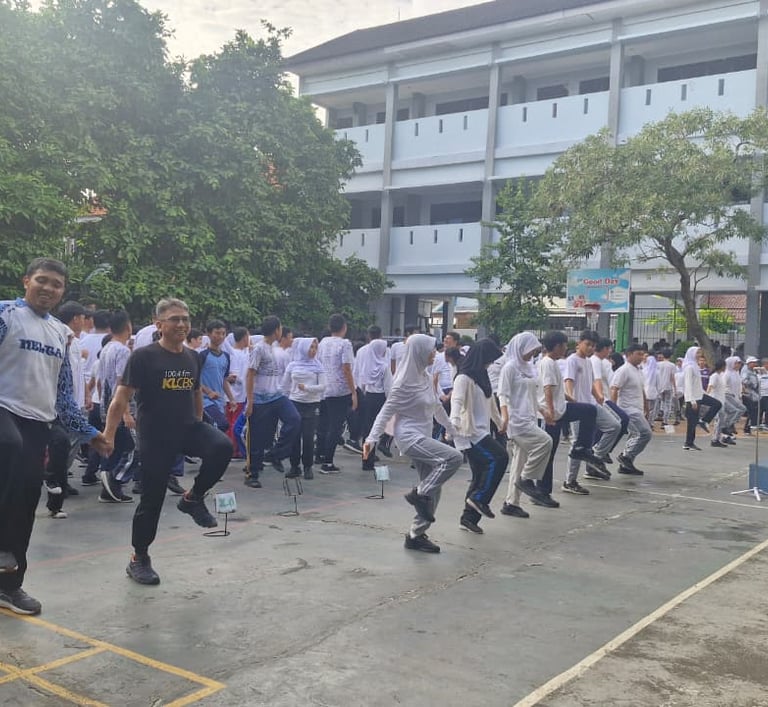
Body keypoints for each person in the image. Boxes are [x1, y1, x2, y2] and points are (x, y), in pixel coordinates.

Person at [0, 258, 111, 614]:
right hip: (3, 412)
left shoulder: (61, 334)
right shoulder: (5, 315)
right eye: (42, 281)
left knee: (25, 505)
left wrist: (91, 432)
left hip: (37, 423)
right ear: (26, 281)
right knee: (8, 446)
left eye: (56, 284)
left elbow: (63, 395)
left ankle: (10, 586)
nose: (48, 288)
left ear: (63, 292)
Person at [103, 297, 232, 585]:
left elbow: (196, 390)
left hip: (187, 428)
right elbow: (121, 397)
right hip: (156, 437)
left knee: (222, 447)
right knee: (152, 500)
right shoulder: (143, 357)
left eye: (186, 319)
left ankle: (193, 498)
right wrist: (109, 434)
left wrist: (199, 421)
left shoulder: (191, 357)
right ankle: (139, 558)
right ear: (159, 324)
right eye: (175, 319)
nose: (182, 324)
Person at [363, 334, 463, 554]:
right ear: (419, 352)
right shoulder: (403, 383)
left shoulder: (424, 377)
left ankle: (415, 536)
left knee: (434, 490)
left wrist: (451, 429)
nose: (434, 354)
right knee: (453, 458)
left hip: (424, 437)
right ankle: (419, 493)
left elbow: (436, 407)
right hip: (409, 438)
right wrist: (371, 439)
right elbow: (385, 412)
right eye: (431, 350)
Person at [536, 331, 608, 503]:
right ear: (556, 346)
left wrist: (571, 400)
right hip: (552, 414)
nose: (565, 348)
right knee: (548, 453)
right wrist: (551, 413)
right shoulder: (547, 363)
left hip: (562, 408)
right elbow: (547, 389)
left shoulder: (554, 363)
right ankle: (542, 492)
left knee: (589, 410)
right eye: (563, 345)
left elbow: (557, 389)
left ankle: (581, 448)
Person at [450, 339, 508, 534]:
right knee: (500, 458)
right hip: (469, 434)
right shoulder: (463, 378)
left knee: (480, 474)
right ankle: (479, 499)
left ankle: (468, 518)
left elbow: (491, 404)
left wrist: (500, 423)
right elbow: (456, 402)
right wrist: (453, 427)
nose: (490, 364)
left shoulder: (482, 377)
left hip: (482, 430)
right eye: (489, 360)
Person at [244, 315, 300, 487]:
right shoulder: (259, 348)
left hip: (277, 395)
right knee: (257, 438)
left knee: (294, 419)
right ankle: (252, 473)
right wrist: (250, 401)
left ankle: (276, 453)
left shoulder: (276, 348)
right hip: (261, 399)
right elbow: (250, 374)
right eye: (281, 328)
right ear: (277, 330)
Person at [563, 330, 622, 492]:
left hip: (592, 406)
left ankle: (594, 455)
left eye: (593, 346)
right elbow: (569, 380)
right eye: (587, 344)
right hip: (579, 408)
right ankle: (570, 481)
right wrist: (570, 397)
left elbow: (589, 383)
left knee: (614, 426)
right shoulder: (572, 361)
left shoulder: (588, 362)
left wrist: (597, 396)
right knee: (577, 444)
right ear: (579, 343)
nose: (590, 348)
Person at [98, 310, 136, 503]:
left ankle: (109, 485)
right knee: (133, 447)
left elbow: (100, 380)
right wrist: (127, 412)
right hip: (119, 405)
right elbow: (123, 383)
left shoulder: (106, 349)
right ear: (128, 327)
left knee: (116, 445)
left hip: (106, 403)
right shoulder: (122, 351)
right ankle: (115, 478)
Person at [316, 314, 357, 473]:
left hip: (324, 387)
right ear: (344, 327)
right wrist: (353, 392)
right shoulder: (345, 344)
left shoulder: (323, 342)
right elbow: (346, 369)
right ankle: (328, 462)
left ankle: (319, 455)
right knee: (335, 426)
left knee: (323, 424)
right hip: (339, 389)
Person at [283, 338, 326, 480]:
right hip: (295, 402)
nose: (313, 350)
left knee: (308, 437)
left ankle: (308, 466)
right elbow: (285, 385)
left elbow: (323, 386)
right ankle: (294, 466)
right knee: (294, 437)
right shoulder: (292, 365)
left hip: (312, 404)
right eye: (310, 347)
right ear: (303, 348)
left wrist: (307, 388)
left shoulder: (318, 366)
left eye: (315, 347)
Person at [609, 344, 653, 472]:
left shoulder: (639, 371)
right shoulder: (624, 370)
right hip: (627, 409)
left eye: (642, 354)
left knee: (634, 434)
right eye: (638, 354)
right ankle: (626, 456)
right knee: (645, 433)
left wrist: (646, 406)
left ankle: (626, 466)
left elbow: (642, 390)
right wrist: (613, 409)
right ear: (629, 355)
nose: (641, 357)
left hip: (637, 408)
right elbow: (614, 388)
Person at [355, 337, 391, 472]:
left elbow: (362, 384)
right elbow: (388, 387)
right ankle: (371, 458)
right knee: (376, 430)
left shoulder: (367, 365)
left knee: (367, 431)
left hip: (367, 398)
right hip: (379, 399)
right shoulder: (384, 367)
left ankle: (366, 460)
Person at [680, 346, 721, 452]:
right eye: (697, 353)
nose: (699, 355)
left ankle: (704, 421)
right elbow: (688, 385)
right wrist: (691, 400)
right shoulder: (689, 367)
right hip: (692, 398)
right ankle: (688, 443)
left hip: (700, 395)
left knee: (717, 404)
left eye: (700, 353)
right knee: (692, 422)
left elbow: (697, 384)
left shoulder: (695, 366)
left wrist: (705, 393)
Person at [199, 319, 237, 433]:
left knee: (218, 431)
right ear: (209, 334)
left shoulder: (226, 356)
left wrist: (231, 399)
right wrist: (208, 392)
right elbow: (194, 379)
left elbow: (224, 380)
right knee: (221, 425)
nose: (220, 336)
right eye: (217, 333)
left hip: (219, 401)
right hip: (204, 401)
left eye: (223, 333)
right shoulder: (202, 355)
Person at [741, 356, 760, 434]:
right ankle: (747, 428)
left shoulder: (753, 371)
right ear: (749, 363)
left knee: (753, 410)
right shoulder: (746, 371)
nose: (755, 364)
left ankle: (749, 427)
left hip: (754, 394)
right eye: (754, 362)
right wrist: (752, 384)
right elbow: (744, 381)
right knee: (751, 410)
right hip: (748, 394)